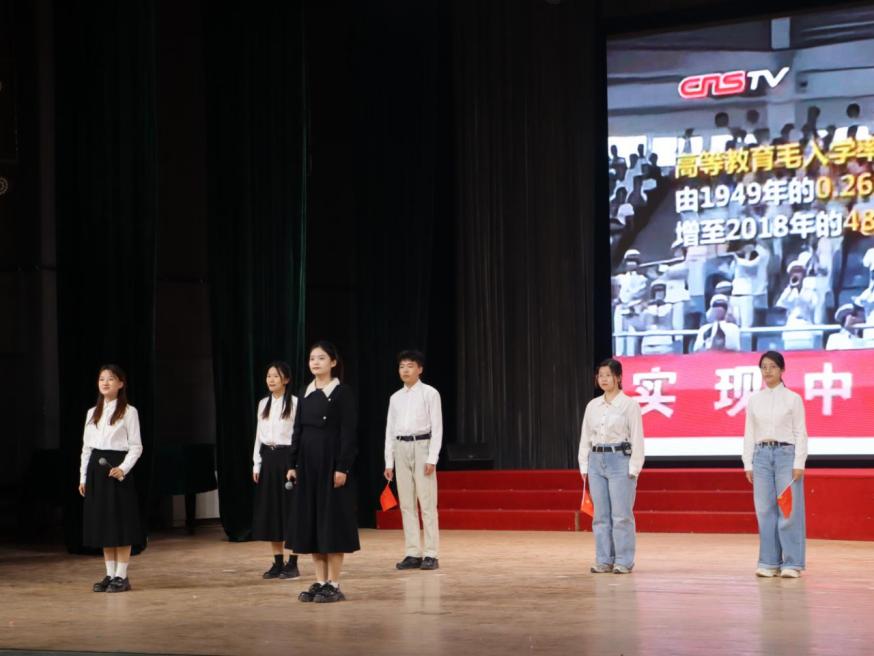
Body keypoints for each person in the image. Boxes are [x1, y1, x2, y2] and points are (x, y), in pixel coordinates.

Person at [286, 341, 359, 603]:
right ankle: (320, 581)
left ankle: (334, 583)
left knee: (332, 523)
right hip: (308, 466)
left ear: (333, 362)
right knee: (313, 522)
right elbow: (297, 430)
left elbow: (348, 433)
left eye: (321, 358)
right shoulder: (304, 393)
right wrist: (292, 464)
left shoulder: (342, 393)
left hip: (331, 465)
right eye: (312, 359)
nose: (315, 362)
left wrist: (342, 467)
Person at [742, 351, 808, 578]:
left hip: (786, 456)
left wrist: (799, 462)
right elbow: (749, 432)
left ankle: (792, 563)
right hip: (761, 456)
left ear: (782, 370)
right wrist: (747, 463)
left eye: (772, 366)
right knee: (764, 510)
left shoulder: (793, 399)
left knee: (788, 510)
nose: (767, 371)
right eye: (764, 367)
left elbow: (800, 432)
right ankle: (769, 562)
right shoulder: (754, 400)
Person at [78, 365, 144, 593]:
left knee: (121, 524)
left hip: (116, 470)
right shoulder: (92, 412)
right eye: (101, 379)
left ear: (121, 384)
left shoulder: (129, 412)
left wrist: (123, 469)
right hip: (96, 471)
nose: (105, 383)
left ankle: (122, 576)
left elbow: (136, 446)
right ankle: (110, 574)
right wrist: (83, 477)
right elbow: (86, 448)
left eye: (111, 379)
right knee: (104, 524)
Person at [578, 358, 645, 574]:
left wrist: (634, 468)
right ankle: (603, 560)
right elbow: (585, 437)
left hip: (619, 460)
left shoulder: (629, 405)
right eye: (600, 375)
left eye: (608, 375)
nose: (604, 379)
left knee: (621, 515)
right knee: (600, 516)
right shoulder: (592, 406)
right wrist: (584, 465)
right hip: (596, 460)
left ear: (618, 377)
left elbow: (637, 438)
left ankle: (623, 560)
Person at [383, 350, 443, 571]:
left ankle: (431, 553)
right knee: (407, 504)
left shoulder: (430, 393)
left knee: (427, 503)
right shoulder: (395, 398)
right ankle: (412, 552)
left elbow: (437, 427)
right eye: (402, 366)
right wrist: (389, 462)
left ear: (420, 369)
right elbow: (390, 430)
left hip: (422, 446)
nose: (405, 370)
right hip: (401, 447)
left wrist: (432, 457)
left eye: (410, 366)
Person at [252, 361, 300, 580]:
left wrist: (295, 465)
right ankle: (278, 562)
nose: (271, 380)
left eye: (276, 376)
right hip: (269, 459)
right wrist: (257, 463)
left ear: (286, 380)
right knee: (272, 511)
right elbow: (258, 436)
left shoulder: (295, 403)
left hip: (287, 458)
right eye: (268, 376)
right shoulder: (263, 403)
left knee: (290, 511)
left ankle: (293, 563)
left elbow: (298, 437)